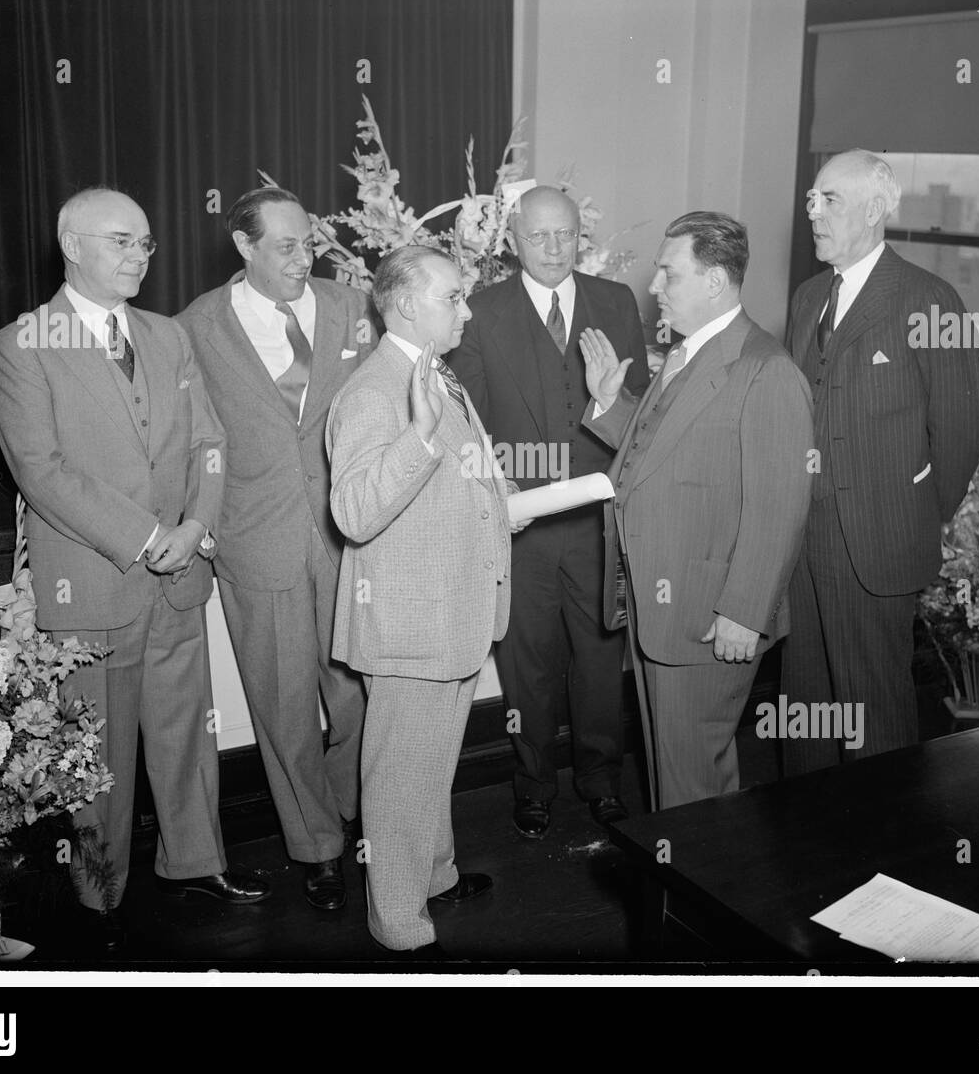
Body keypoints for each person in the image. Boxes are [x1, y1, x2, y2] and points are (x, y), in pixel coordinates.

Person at [0, 187, 268, 951]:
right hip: (95, 582)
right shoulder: (24, 342)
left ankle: (196, 862)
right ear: (71, 244)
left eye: (145, 243)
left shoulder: (165, 335)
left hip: (179, 575)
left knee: (186, 736)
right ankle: (98, 896)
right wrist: (150, 536)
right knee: (97, 759)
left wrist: (197, 525)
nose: (139, 256)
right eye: (121, 241)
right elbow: (40, 471)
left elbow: (209, 441)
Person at [173, 187, 376, 911]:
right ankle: (317, 846)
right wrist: (199, 520)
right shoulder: (194, 327)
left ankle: (357, 811)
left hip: (350, 529)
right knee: (283, 707)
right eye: (285, 246)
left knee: (362, 690)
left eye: (308, 242)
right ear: (244, 246)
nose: (303, 258)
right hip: (256, 540)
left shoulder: (354, 307)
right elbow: (187, 439)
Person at [580, 211, 813, 810]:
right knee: (670, 775)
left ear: (714, 282)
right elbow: (663, 445)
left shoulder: (766, 370)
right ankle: (676, 887)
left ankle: (703, 895)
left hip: (710, 615)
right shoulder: (689, 354)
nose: (654, 287)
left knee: (696, 791)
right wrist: (611, 404)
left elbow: (780, 503)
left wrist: (745, 611)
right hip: (664, 606)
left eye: (668, 273)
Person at [327, 245, 523, 957]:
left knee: (430, 762)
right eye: (454, 296)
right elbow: (352, 509)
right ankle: (399, 921)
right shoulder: (375, 392)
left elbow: (453, 482)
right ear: (406, 303)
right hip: (411, 618)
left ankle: (433, 875)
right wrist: (416, 434)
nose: (467, 309)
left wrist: (503, 507)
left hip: (450, 610)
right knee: (400, 773)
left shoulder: (433, 374)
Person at [448, 185, 649, 838]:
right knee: (526, 668)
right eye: (540, 236)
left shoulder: (616, 303)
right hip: (521, 529)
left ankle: (600, 780)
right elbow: (470, 429)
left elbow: (638, 416)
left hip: (597, 526)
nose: (555, 248)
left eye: (565, 234)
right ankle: (533, 785)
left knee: (598, 665)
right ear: (513, 240)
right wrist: (499, 496)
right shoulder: (477, 313)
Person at [780, 149, 979, 774]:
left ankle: (883, 852)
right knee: (807, 706)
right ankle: (807, 842)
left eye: (830, 200)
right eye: (811, 199)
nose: (813, 212)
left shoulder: (930, 299)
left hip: (877, 544)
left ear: (875, 209)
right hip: (803, 538)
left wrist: (911, 516)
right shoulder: (808, 296)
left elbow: (960, 429)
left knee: (872, 712)